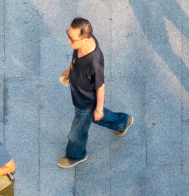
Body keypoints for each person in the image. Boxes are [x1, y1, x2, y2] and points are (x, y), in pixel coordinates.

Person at [57, 17, 133, 168]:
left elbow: (100, 87)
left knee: (77, 132)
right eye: (68, 35)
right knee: (96, 117)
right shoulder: (82, 43)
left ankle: (75, 155)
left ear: (85, 40)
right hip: (80, 93)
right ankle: (123, 121)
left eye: (71, 38)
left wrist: (98, 108)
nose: (69, 41)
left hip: (85, 102)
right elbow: (75, 58)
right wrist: (68, 71)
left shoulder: (94, 63)